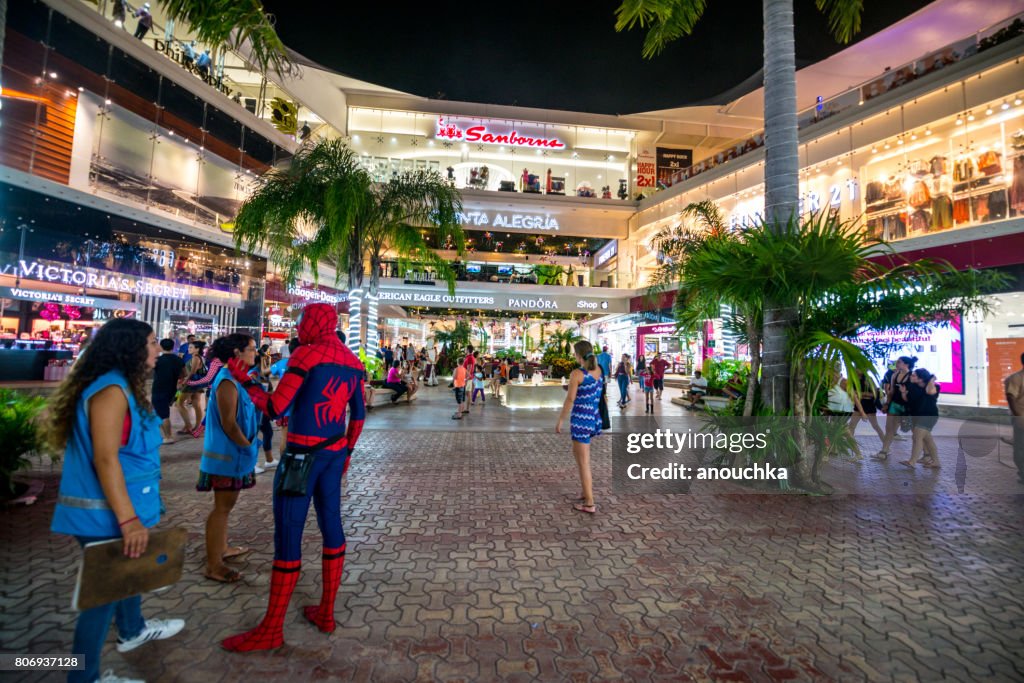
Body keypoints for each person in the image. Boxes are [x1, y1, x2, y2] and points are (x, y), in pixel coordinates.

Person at [220, 303, 365, 651]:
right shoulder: (353, 363)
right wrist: (346, 453)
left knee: (288, 535)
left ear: (314, 324)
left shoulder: (306, 356)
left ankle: (272, 628)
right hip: (333, 455)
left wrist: (244, 380)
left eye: (301, 322)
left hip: (301, 458)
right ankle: (326, 612)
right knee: (332, 526)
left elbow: (276, 407)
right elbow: (358, 416)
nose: (299, 328)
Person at [48, 319, 185, 683]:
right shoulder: (111, 390)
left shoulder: (120, 386)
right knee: (100, 600)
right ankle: (83, 676)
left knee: (127, 572)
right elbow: (105, 458)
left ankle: (133, 629)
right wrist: (128, 520)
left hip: (114, 511)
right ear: (130, 348)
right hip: (102, 516)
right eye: (153, 343)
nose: (159, 350)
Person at [198, 335, 260, 583]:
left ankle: (222, 548)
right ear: (237, 352)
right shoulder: (226, 382)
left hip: (234, 457)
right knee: (221, 508)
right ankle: (214, 564)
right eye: (252, 349)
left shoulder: (237, 379)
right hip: (226, 457)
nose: (255, 353)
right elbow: (229, 424)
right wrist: (247, 447)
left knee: (226, 507)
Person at [555, 340, 603, 514]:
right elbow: (591, 391)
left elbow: (570, 399)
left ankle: (589, 502)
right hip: (593, 418)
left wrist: (560, 420)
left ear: (578, 355)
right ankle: (585, 492)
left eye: (574, 353)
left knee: (583, 462)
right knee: (583, 458)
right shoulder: (598, 371)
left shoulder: (577, 373)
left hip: (580, 420)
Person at [874, 356, 916, 460]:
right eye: (897, 362)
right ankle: (884, 450)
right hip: (895, 405)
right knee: (889, 428)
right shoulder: (895, 375)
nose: (897, 363)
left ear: (906, 364)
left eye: (899, 362)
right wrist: (887, 404)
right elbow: (891, 391)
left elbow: (916, 392)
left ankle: (927, 454)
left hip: (907, 406)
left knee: (916, 431)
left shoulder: (912, 376)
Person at [900, 367, 941, 468]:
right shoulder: (913, 386)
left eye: (913, 375)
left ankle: (912, 461)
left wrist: (931, 379)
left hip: (928, 415)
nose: (911, 376)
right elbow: (908, 400)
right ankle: (936, 462)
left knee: (917, 437)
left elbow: (930, 392)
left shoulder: (933, 386)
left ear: (921, 378)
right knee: (928, 440)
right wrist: (903, 392)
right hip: (916, 415)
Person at [152, 338, 185, 445]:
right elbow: (183, 374)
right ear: (173, 346)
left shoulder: (158, 360)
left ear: (161, 347)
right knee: (162, 412)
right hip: (172, 389)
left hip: (159, 388)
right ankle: (166, 435)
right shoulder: (178, 360)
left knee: (163, 413)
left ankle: (168, 436)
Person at [176, 341, 207, 437]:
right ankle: (197, 426)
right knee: (196, 404)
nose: (188, 349)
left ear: (197, 349)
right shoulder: (200, 357)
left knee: (179, 403)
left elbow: (192, 372)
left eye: (191, 348)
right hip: (198, 383)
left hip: (192, 382)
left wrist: (185, 381)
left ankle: (188, 426)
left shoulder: (195, 358)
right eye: (189, 347)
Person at [1004, 352, 1024, 484]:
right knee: (1020, 447)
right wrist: (1019, 418)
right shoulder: (1015, 378)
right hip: (1022, 418)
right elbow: (1011, 398)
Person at [849, 372, 886, 443]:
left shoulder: (869, 379)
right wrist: (864, 394)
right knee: (851, 425)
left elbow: (874, 393)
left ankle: (885, 444)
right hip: (859, 404)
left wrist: (861, 394)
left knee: (875, 426)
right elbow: (852, 393)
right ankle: (852, 445)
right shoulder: (853, 380)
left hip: (869, 405)